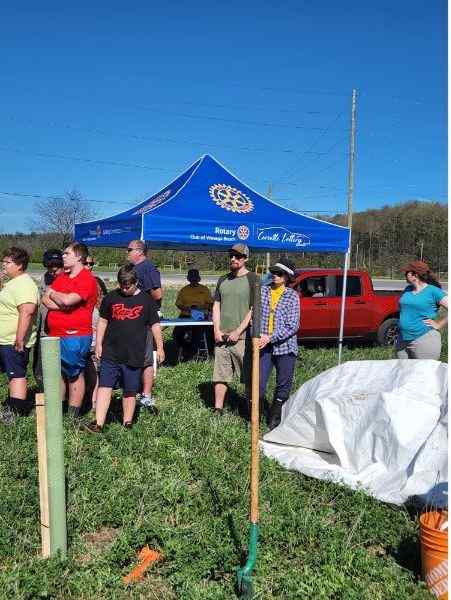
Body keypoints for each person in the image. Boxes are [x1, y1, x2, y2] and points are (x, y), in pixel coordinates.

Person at [83, 264, 164, 433]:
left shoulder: (146, 300)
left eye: (128, 286)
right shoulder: (111, 298)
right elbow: (103, 321)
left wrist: (161, 348)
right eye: (122, 285)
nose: (125, 289)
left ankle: (127, 422)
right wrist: (98, 344)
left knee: (130, 389)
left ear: (136, 283)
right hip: (111, 352)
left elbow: (155, 325)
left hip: (134, 353)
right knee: (105, 385)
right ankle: (98, 423)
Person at [42, 242, 97, 418]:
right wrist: (61, 302)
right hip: (54, 334)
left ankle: (73, 415)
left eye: (66, 254)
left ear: (79, 257)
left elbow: (67, 300)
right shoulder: (63, 277)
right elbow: (45, 299)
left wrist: (56, 296)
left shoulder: (86, 279)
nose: (62, 257)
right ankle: (58, 411)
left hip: (75, 335)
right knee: (56, 373)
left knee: (74, 374)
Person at [212, 244, 259, 416]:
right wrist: (216, 329)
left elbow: (254, 309)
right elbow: (216, 305)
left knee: (248, 377)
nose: (233, 259)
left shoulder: (253, 279)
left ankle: (249, 411)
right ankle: (218, 409)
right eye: (231, 255)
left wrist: (238, 331)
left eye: (237, 256)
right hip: (221, 336)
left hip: (242, 338)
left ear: (245, 258)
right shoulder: (222, 280)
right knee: (220, 374)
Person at [259, 259, 300, 430]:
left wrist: (271, 337)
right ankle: (256, 416)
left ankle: (274, 417)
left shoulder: (292, 296)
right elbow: (253, 314)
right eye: (273, 272)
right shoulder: (263, 291)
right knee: (259, 383)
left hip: (285, 346)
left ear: (287, 277)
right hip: (264, 346)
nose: (274, 275)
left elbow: (293, 325)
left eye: (279, 273)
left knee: (283, 384)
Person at [0, 247, 39, 424]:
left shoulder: (25, 284)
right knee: (10, 374)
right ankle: (9, 406)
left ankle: (15, 412)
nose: (4, 265)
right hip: (3, 338)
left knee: (16, 375)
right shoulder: (11, 283)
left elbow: (27, 312)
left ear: (20, 265)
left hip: (13, 340)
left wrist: (19, 338)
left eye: (8, 262)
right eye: (4, 261)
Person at [126, 240, 162, 410]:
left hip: (145, 321)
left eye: (129, 250)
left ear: (139, 251)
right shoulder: (134, 269)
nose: (127, 252)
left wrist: (142, 303)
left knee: (146, 358)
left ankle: (146, 395)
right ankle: (132, 388)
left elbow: (157, 293)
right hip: (131, 320)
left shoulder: (147, 268)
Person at [396, 260, 448, 360]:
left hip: (424, 339)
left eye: (407, 272)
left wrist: (439, 324)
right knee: (403, 373)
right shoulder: (408, 289)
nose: (405, 274)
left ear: (415, 274)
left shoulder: (433, 291)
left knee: (424, 374)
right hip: (403, 339)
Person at [33, 249, 64, 387]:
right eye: (49, 266)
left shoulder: (68, 279)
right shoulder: (45, 278)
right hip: (46, 329)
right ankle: (46, 393)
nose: (52, 270)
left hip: (64, 330)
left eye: (56, 266)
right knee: (42, 367)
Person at [173, 268, 213, 360]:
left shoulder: (204, 289)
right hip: (185, 315)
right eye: (192, 278)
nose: (193, 280)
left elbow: (211, 304)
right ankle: (186, 348)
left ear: (198, 278)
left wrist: (201, 309)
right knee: (176, 333)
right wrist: (187, 309)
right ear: (188, 279)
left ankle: (191, 355)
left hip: (200, 316)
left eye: (195, 278)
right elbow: (178, 304)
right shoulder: (184, 290)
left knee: (197, 334)